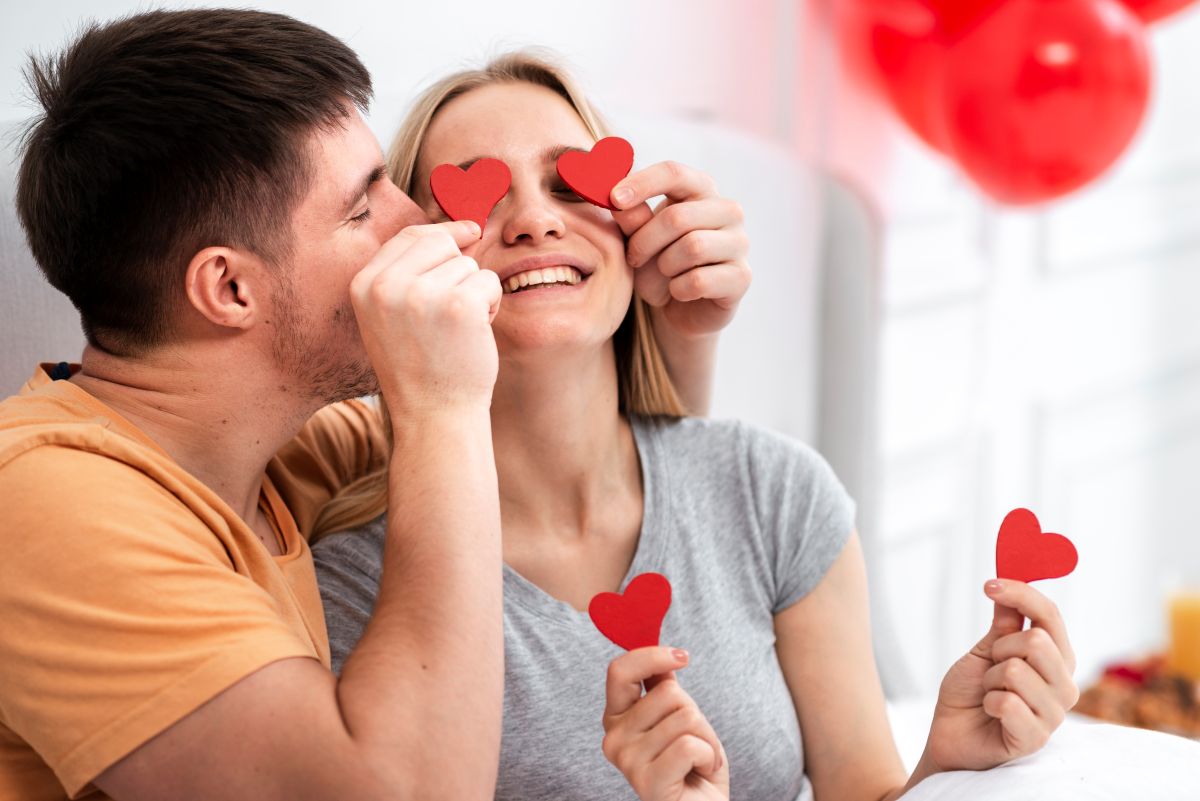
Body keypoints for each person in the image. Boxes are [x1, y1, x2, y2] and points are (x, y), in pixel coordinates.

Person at [311, 52, 1081, 801]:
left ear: (638, 231)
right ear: (414, 269)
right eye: (477, 199)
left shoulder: (774, 492)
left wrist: (945, 762)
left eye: (570, 181)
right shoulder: (352, 585)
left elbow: (863, 789)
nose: (536, 220)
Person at [0, 11, 728, 801]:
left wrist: (683, 324)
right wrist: (442, 405)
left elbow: (570, 451)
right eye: (362, 206)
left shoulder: (274, 452)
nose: (418, 221)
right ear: (231, 289)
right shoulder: (47, 503)